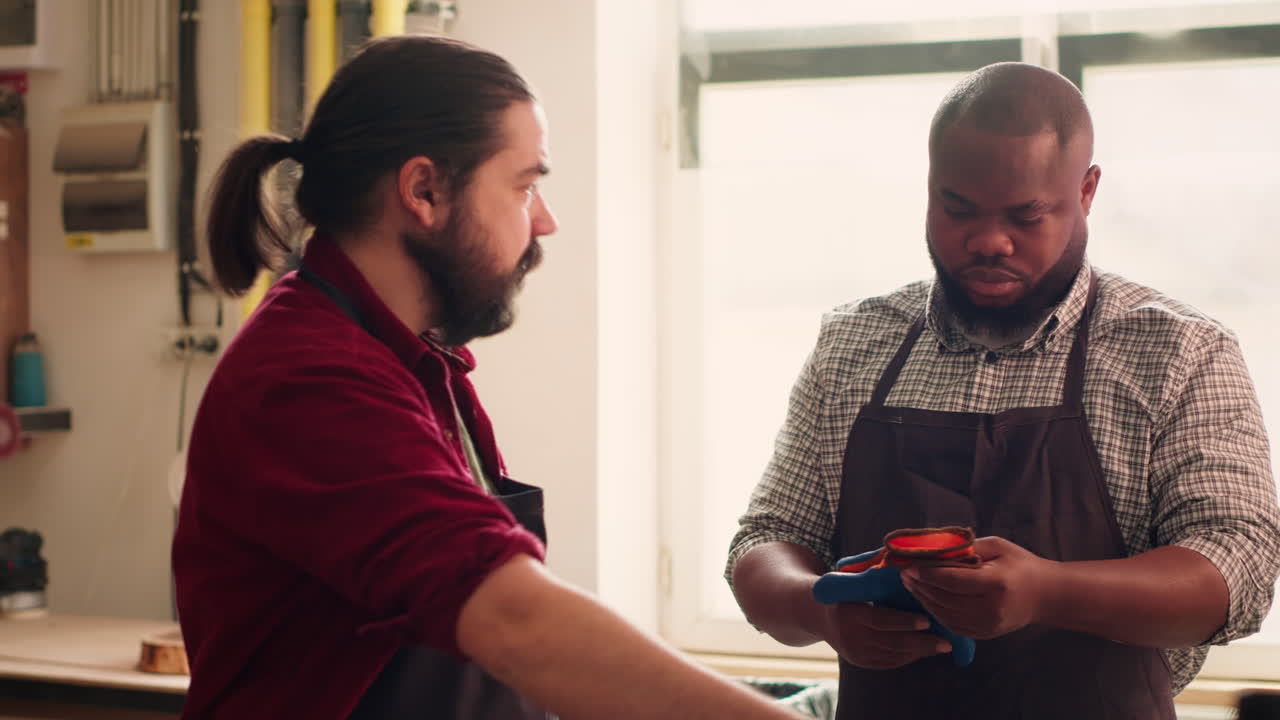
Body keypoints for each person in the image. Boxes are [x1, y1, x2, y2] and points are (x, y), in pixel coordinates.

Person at [173, 35, 801, 720]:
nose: (546, 221)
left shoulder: (418, 364)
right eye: (526, 185)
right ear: (425, 190)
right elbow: (514, 621)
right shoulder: (306, 378)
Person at [725, 61, 1280, 720]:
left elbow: (1238, 570)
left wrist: (1050, 592)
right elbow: (765, 541)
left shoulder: (1178, 352)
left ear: (1087, 191)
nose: (988, 240)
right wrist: (820, 606)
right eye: (958, 208)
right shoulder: (852, 345)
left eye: (1026, 215)